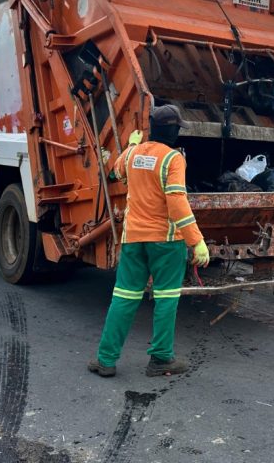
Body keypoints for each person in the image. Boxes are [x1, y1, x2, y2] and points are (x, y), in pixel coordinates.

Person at [89, 105, 210, 378]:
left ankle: (105, 360)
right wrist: (197, 241)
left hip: (133, 239)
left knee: (123, 297)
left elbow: (114, 173)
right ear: (174, 131)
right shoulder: (173, 159)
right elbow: (177, 201)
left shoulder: (132, 154)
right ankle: (161, 359)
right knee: (166, 298)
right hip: (166, 243)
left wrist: (131, 146)